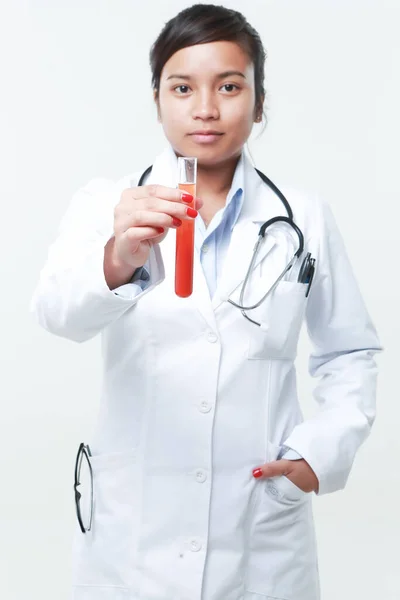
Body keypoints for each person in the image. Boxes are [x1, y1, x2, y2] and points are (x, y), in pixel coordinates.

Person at [30, 4, 382, 600]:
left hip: (259, 523)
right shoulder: (107, 204)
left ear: (259, 101)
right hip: (136, 523)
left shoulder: (304, 218)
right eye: (182, 87)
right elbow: (57, 315)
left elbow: (350, 350)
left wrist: (318, 455)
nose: (206, 108)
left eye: (229, 86)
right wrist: (120, 256)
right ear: (158, 99)